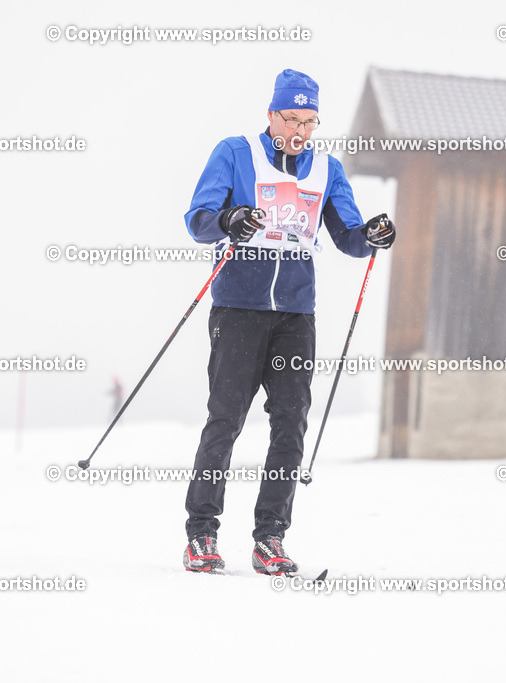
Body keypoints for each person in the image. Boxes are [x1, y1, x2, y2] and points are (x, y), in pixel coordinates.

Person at [181, 69, 396, 575]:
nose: (299, 130)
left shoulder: (327, 169)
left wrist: (374, 235)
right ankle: (201, 533)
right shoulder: (235, 153)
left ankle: (270, 537)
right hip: (239, 308)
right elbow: (198, 219)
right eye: (291, 118)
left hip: (296, 314)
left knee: (290, 424)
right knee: (226, 420)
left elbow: (348, 235)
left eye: (309, 120)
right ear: (271, 115)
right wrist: (229, 220)